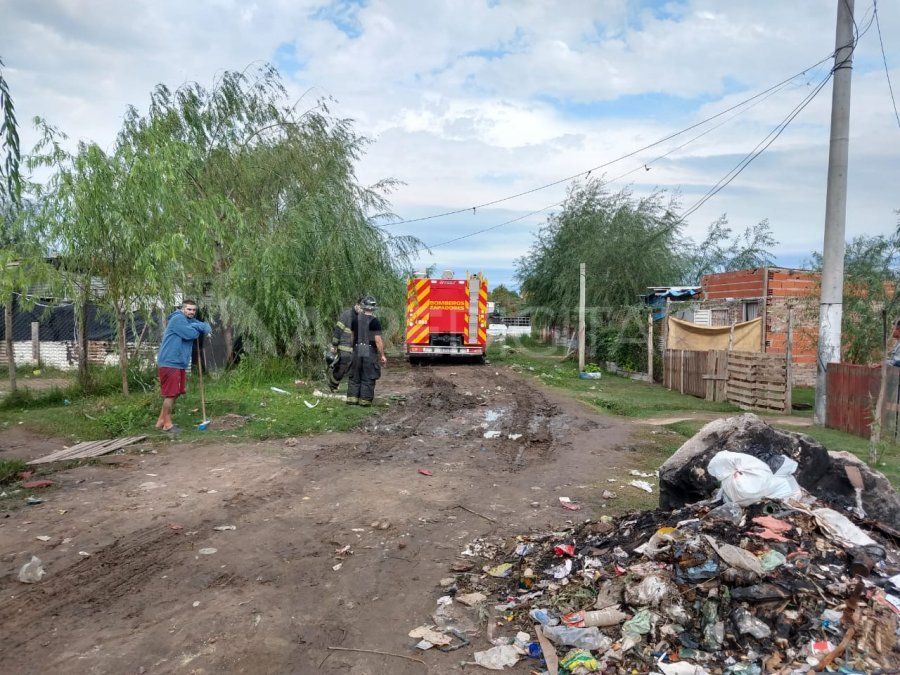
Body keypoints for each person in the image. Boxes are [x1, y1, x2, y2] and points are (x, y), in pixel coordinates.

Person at [155, 300, 211, 432]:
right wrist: (197, 329)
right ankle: (167, 425)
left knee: (177, 392)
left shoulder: (187, 320)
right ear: (182, 309)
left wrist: (198, 326)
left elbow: (206, 326)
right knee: (171, 394)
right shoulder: (178, 319)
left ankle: (160, 421)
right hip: (170, 361)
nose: (192, 312)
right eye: (189, 309)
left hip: (179, 362)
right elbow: (191, 334)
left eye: (193, 310)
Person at [346, 295, 386, 406]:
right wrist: (382, 355)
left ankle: (352, 399)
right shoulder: (375, 321)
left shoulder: (355, 320)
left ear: (363, 307)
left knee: (355, 374)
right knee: (368, 375)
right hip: (369, 350)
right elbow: (378, 340)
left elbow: (352, 337)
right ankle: (364, 401)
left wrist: (351, 348)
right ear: (373, 308)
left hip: (357, 349)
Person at [327, 298, 361, 392]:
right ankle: (332, 385)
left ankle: (338, 385)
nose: (362, 310)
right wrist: (334, 345)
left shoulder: (360, 317)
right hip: (343, 346)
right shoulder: (347, 314)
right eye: (361, 308)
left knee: (350, 368)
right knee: (342, 367)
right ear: (357, 305)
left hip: (353, 348)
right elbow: (338, 330)